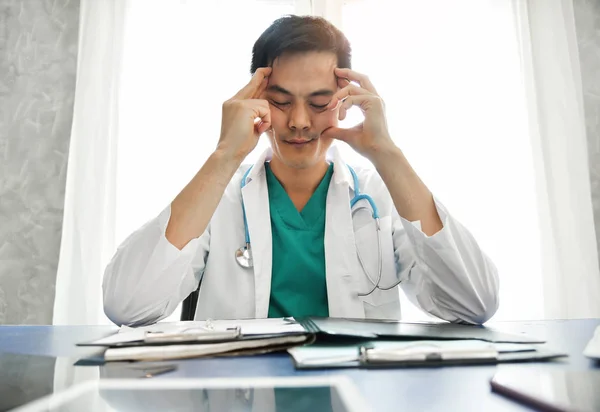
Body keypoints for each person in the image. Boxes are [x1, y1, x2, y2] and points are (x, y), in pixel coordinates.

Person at [103, 15, 499, 327]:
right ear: (256, 99)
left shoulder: (380, 196)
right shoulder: (219, 197)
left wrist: (388, 153)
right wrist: (224, 154)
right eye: (280, 100)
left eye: (319, 102)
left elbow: (475, 304)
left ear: (346, 100)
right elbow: (127, 306)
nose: (298, 121)